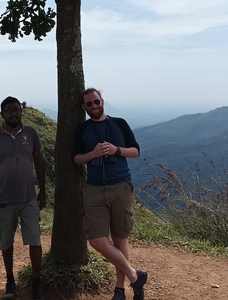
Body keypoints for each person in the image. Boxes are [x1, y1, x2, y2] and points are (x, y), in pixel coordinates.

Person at [73, 88, 148, 300]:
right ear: (84, 108)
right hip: (94, 188)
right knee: (96, 240)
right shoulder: (82, 129)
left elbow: (135, 151)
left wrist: (116, 150)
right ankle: (135, 276)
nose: (94, 106)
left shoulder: (120, 124)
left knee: (120, 239)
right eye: (89, 104)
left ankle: (120, 289)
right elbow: (76, 158)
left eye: (96, 101)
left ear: (102, 101)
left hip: (120, 185)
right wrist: (93, 154)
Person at [0, 96, 47, 300]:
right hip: (3, 199)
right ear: (2, 114)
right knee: (6, 242)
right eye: (9, 110)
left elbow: (39, 163)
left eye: (17, 109)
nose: (13, 113)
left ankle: (36, 283)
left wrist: (43, 191)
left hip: (28, 198)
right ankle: (10, 280)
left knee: (35, 241)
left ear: (21, 111)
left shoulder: (31, 133)